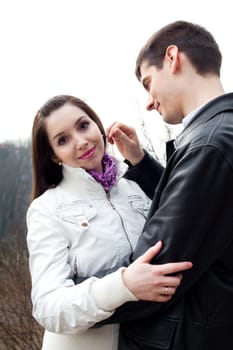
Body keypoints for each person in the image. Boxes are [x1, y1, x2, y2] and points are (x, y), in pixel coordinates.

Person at [95, 20, 233, 349]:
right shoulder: (215, 137)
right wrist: (142, 164)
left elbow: (159, 269)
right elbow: (200, 215)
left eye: (148, 82)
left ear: (172, 58)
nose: (148, 101)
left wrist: (72, 300)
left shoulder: (209, 146)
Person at [26, 94, 192, 350]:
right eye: (63, 140)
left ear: (97, 124)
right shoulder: (46, 209)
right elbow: (49, 307)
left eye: (83, 125)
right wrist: (123, 285)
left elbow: (185, 213)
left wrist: (141, 160)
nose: (81, 142)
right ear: (54, 156)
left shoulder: (136, 181)